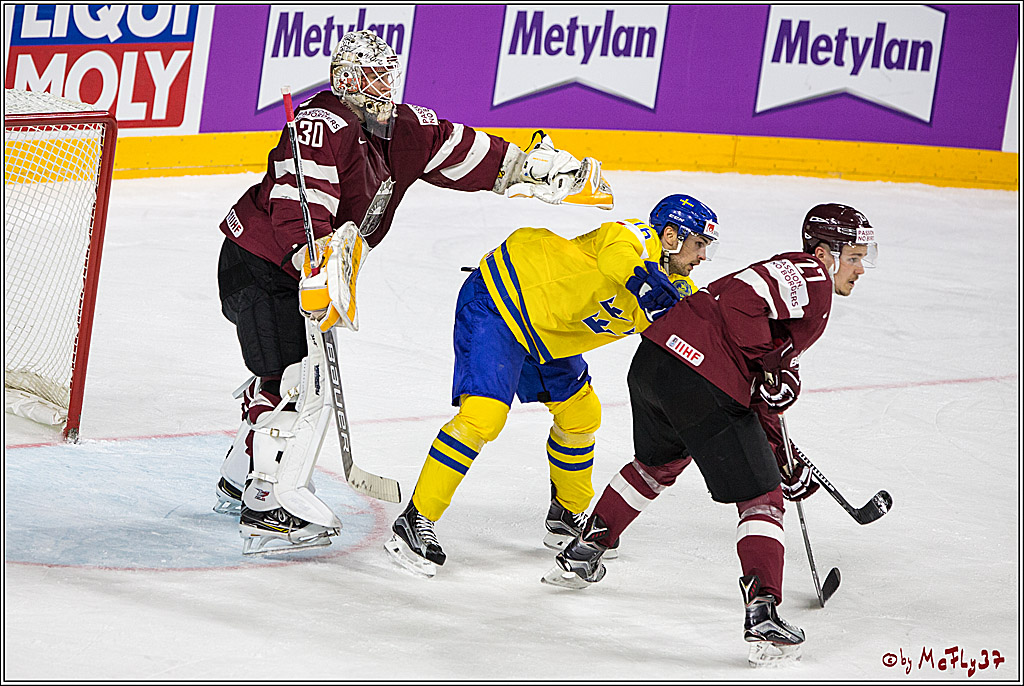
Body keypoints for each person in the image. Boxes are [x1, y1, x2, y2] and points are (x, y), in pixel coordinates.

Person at [213, 30, 615, 555]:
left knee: (288, 377)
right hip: (263, 265)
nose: (379, 85)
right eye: (367, 76)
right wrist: (306, 261)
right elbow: (299, 200)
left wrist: (532, 168)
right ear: (343, 80)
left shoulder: (406, 127)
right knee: (294, 383)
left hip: (306, 271)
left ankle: (239, 472)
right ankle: (268, 502)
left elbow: (473, 154)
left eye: (385, 74)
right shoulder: (321, 123)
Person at [542, 203, 878, 667]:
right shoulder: (811, 277)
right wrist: (771, 367)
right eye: (856, 257)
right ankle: (764, 615)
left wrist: (783, 457)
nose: (861, 269)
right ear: (826, 252)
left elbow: (757, 394)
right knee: (762, 497)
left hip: (657, 363)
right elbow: (742, 300)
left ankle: (587, 548)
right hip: (703, 376)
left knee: (658, 465)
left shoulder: (796, 285)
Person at [384, 194, 721, 577]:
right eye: (698, 245)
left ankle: (565, 514)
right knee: (483, 417)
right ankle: (416, 518)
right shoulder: (634, 236)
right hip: (502, 300)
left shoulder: (675, 293)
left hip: (548, 336)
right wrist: (641, 282)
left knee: (582, 414)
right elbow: (618, 258)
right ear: (671, 236)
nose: (702, 257)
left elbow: (700, 338)